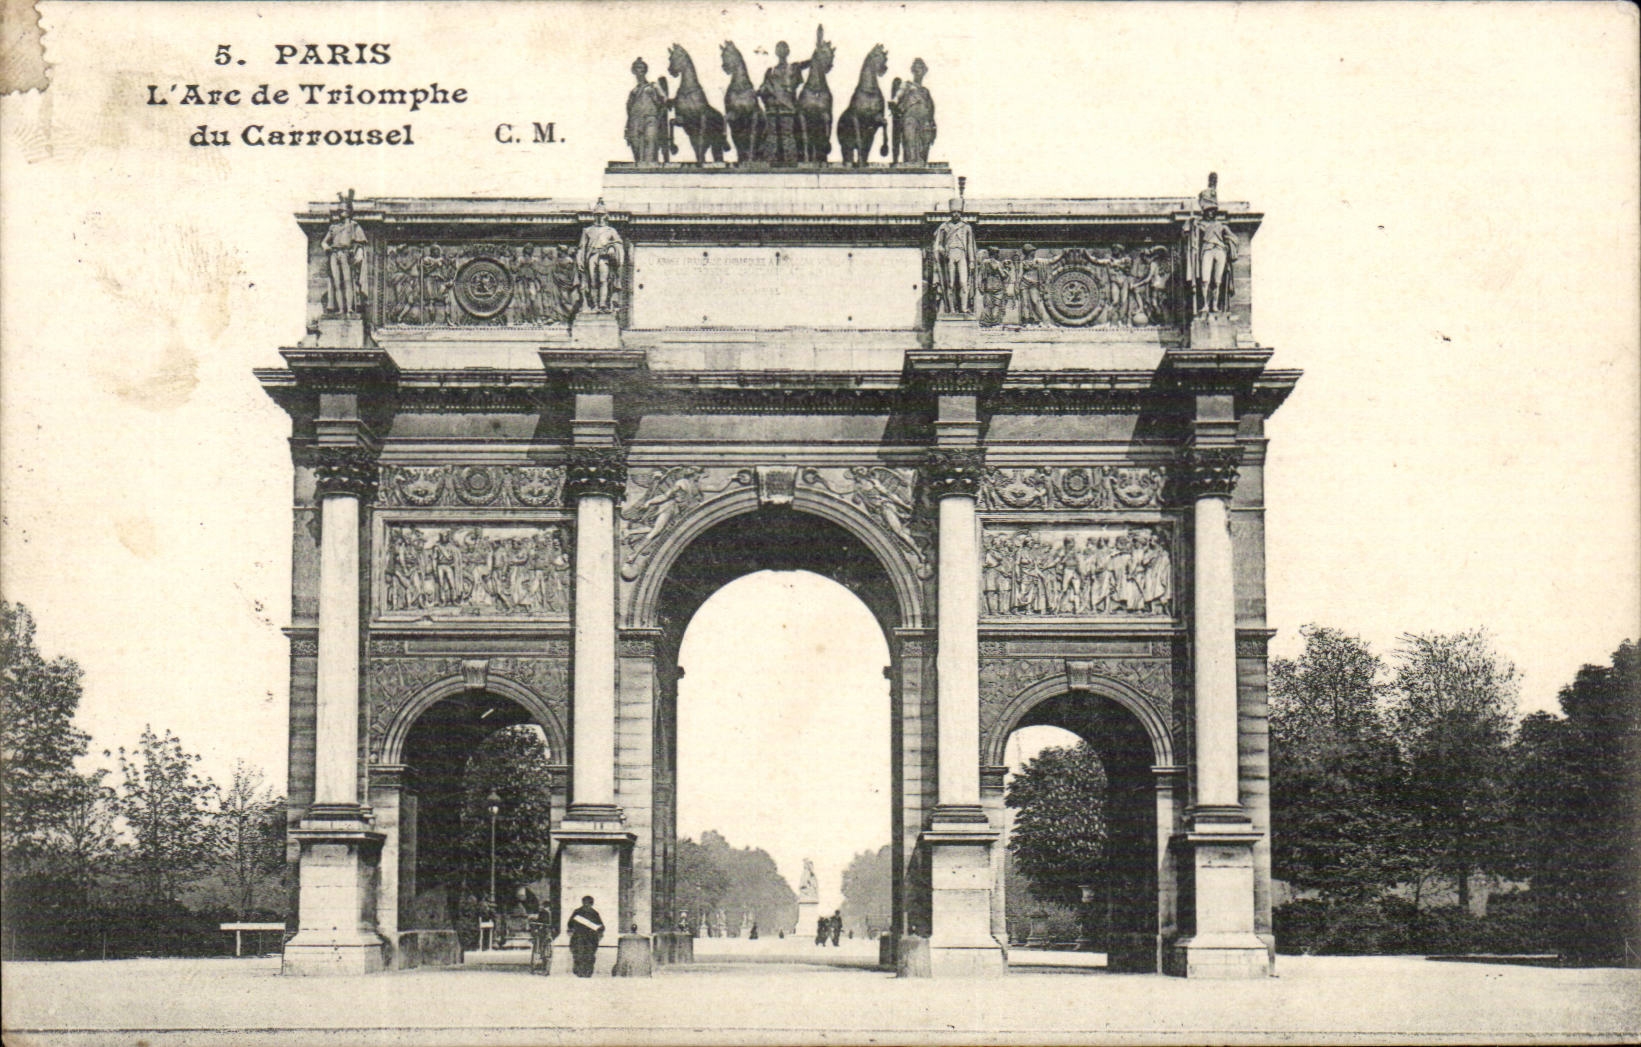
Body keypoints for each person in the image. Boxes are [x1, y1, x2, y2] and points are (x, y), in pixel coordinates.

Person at [568, 895, 604, 977]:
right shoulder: (594, 913)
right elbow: (601, 927)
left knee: (579, 954)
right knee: (589, 955)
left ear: (583, 902)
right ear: (592, 903)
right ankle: (588, 972)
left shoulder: (577, 912)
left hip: (578, 937)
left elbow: (570, 924)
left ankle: (579, 972)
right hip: (591, 939)